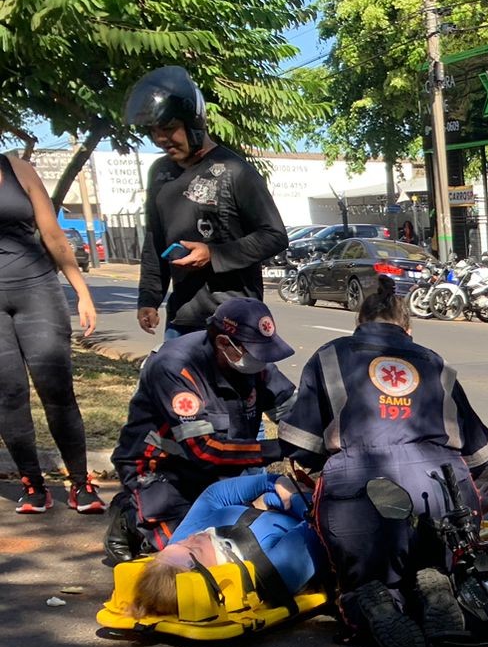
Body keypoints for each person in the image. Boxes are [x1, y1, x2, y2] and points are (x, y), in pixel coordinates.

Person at [279, 277, 488, 647]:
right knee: (432, 555)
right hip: (440, 483)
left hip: (360, 485)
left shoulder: (330, 355)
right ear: (407, 328)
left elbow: (299, 444)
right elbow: (479, 452)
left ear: (358, 323)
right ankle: (433, 582)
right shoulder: (435, 362)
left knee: (362, 577)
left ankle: (371, 605)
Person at [107, 297, 295, 559]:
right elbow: (204, 449)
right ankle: (129, 514)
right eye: (255, 352)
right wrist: (281, 448)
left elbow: (292, 411)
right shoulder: (175, 367)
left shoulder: (254, 361)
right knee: (185, 552)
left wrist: (320, 439)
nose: (261, 361)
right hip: (162, 469)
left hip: (221, 471)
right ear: (223, 343)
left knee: (235, 544)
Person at [124, 66, 289, 339]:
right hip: (182, 318)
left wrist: (213, 255)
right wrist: (149, 298)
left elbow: (274, 236)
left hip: (236, 319)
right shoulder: (160, 174)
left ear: (195, 123)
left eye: (168, 128)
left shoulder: (235, 170)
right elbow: (155, 242)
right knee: (173, 381)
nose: (161, 139)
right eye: (153, 131)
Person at [0, 150, 104, 514]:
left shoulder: (17, 169)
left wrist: (82, 291)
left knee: (56, 390)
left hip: (38, 290)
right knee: (8, 396)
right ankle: (33, 485)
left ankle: (80, 483)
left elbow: (52, 233)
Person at [126, 472, 324, 619]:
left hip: (288, 501)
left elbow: (213, 495)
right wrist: (286, 497)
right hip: (311, 504)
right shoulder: (274, 569)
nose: (193, 537)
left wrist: (274, 482)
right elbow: (321, 518)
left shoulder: (182, 544)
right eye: (195, 549)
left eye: (181, 542)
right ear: (211, 576)